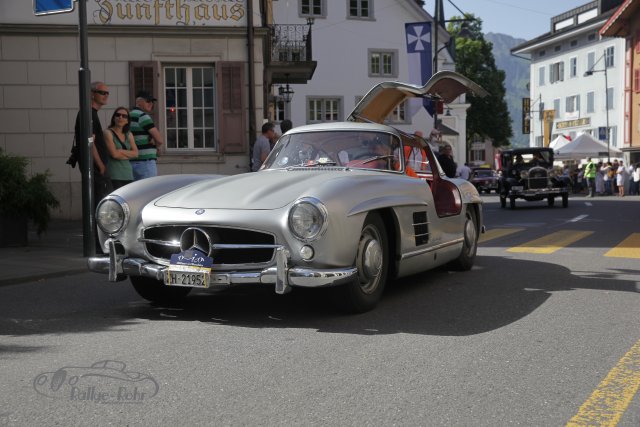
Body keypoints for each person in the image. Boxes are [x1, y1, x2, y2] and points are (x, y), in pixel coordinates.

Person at [74, 81, 113, 207]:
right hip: (95, 167)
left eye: (107, 93)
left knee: (100, 200)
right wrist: (100, 165)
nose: (106, 95)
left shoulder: (90, 113)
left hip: (95, 166)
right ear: (92, 94)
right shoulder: (88, 114)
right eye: (102, 92)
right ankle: (95, 227)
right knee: (101, 202)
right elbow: (90, 142)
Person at [129, 90, 164, 180]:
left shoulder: (128, 115)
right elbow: (160, 140)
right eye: (148, 101)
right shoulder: (143, 116)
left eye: (152, 102)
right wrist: (155, 144)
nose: (151, 104)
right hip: (145, 163)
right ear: (139, 102)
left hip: (131, 162)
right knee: (149, 191)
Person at [103, 107, 138, 189]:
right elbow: (114, 154)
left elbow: (136, 154)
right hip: (114, 174)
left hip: (128, 174)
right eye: (118, 115)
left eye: (124, 116)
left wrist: (120, 151)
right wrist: (128, 154)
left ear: (127, 121)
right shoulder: (108, 132)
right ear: (114, 118)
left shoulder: (128, 134)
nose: (120, 117)